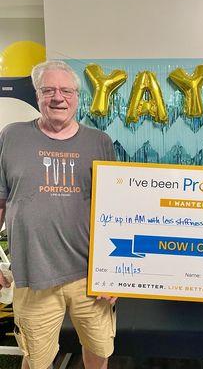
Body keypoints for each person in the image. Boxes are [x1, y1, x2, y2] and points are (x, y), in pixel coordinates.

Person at [0, 60, 117, 369]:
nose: (58, 98)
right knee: (36, 360)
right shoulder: (12, 137)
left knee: (98, 350)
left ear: (77, 97)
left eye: (66, 90)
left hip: (89, 276)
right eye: (48, 89)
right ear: (37, 95)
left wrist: (115, 274)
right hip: (33, 275)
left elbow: (114, 213)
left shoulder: (100, 142)